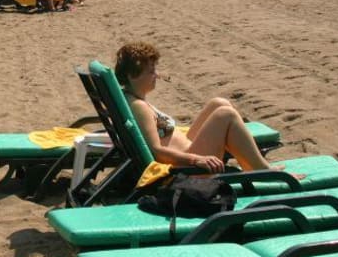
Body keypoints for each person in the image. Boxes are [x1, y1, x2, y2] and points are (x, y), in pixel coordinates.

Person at [115, 42, 291, 174]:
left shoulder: (130, 98)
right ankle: (261, 169)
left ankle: (249, 163)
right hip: (188, 167)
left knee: (219, 103)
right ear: (132, 76)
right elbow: (157, 152)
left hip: (188, 151)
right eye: (151, 72)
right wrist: (197, 159)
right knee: (226, 114)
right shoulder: (139, 107)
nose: (157, 75)